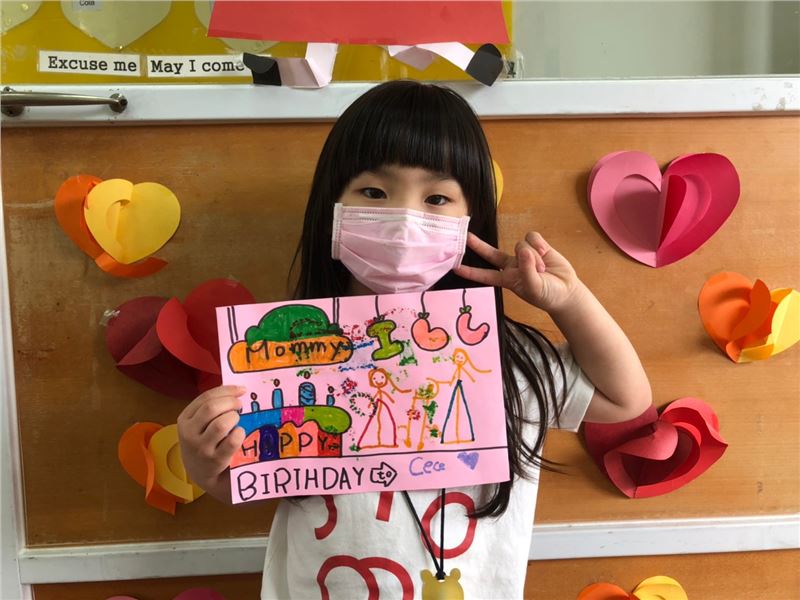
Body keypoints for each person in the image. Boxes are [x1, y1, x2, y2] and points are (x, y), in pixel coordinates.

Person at [177, 80, 652, 599]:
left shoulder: (501, 358)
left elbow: (626, 399)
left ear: (471, 219)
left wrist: (568, 299)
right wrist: (205, 462)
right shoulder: (289, 362)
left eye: (437, 198)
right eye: (373, 192)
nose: (403, 222)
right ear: (331, 207)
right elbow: (253, 480)